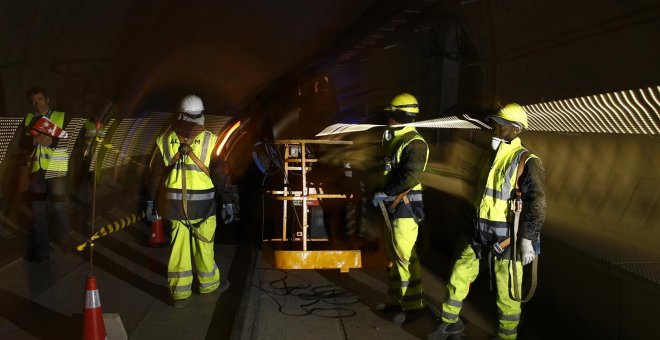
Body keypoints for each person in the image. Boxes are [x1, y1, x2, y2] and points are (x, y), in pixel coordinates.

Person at [428, 103, 546, 340]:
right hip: (478, 231)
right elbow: (477, 193)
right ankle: (449, 323)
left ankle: (507, 335)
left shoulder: (527, 161)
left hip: (506, 237)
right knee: (459, 274)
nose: (495, 128)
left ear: (514, 129)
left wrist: (527, 239)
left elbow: (537, 203)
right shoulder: (489, 157)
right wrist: (467, 222)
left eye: (500, 125)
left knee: (508, 289)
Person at [145, 94, 235, 308]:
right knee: (204, 248)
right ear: (202, 115)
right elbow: (222, 175)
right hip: (204, 207)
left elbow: (155, 174)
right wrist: (229, 202)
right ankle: (209, 285)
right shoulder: (212, 140)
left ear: (180, 114)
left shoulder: (165, 139)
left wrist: (151, 202)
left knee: (179, 250)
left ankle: (179, 294)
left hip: (175, 207)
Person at [371, 93, 429, 324]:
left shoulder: (414, 142)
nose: (388, 119)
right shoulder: (397, 139)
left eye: (391, 115)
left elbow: (410, 177)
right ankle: (396, 301)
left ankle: (414, 306)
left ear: (399, 116)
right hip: (393, 207)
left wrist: (385, 192)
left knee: (405, 257)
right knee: (395, 256)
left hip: (404, 208)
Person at [21, 85, 72, 262]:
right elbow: (22, 145)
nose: (37, 104)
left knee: (58, 207)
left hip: (56, 168)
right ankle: (43, 250)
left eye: (40, 100)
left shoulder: (60, 117)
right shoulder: (29, 119)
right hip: (37, 171)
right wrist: (35, 140)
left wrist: (52, 141)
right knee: (38, 212)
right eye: (34, 101)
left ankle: (65, 240)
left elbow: (71, 141)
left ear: (47, 100)